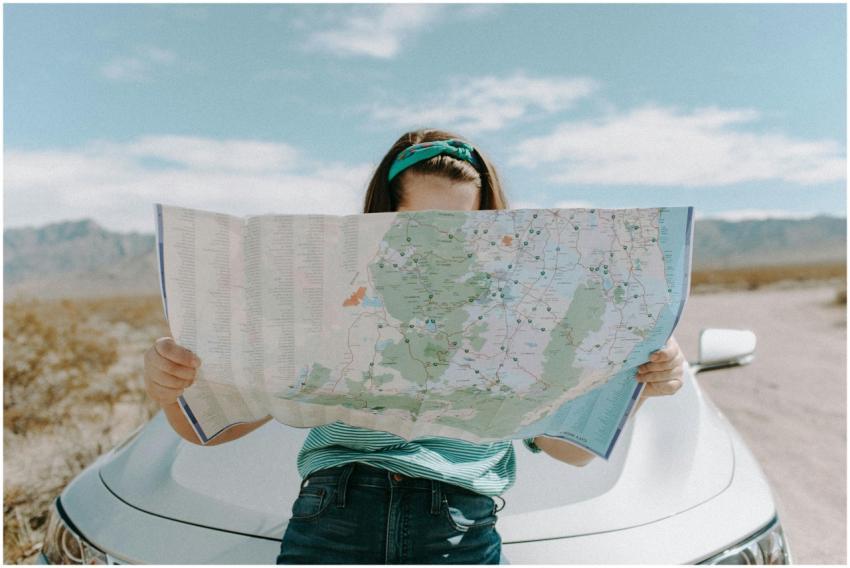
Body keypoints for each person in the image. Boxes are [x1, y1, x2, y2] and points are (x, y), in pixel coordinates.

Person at [143, 128, 687, 564]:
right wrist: (172, 387)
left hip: (459, 528)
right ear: (383, 218)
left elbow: (568, 450)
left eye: (460, 227)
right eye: (420, 225)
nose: (440, 243)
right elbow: (211, 430)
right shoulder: (329, 293)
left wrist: (637, 383)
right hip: (333, 513)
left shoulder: (525, 307)